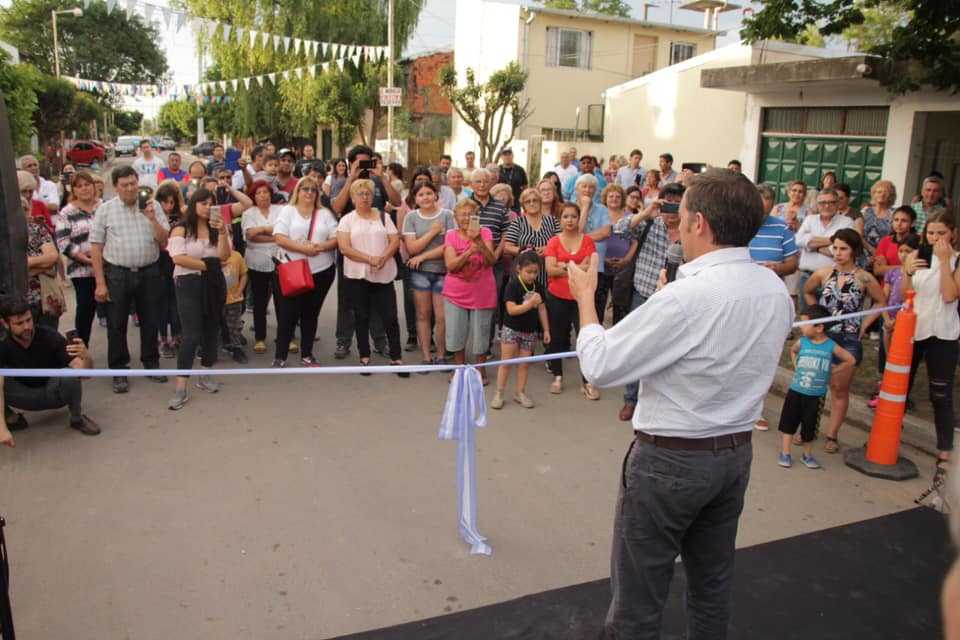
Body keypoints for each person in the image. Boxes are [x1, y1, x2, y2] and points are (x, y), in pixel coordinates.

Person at [568, 169, 794, 640]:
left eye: (682, 214)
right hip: (733, 455)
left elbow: (601, 366)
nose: (676, 223)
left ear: (701, 224)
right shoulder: (773, 288)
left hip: (670, 461)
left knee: (637, 603)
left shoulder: (689, 296)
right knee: (711, 588)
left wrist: (586, 299)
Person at [803, 228, 885, 453]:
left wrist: (865, 325)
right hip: (823, 336)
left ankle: (832, 435)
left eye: (843, 249)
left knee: (839, 389)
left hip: (849, 337)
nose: (837, 253)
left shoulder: (863, 277)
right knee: (812, 384)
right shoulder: (823, 273)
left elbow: (880, 301)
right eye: (835, 247)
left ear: (854, 250)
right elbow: (808, 290)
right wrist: (815, 314)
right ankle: (807, 429)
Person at [90, 165, 171, 394]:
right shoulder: (105, 210)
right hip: (117, 273)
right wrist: (100, 283)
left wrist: (153, 219)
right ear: (115, 187)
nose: (130, 189)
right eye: (124, 185)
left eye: (133, 183)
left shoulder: (152, 206)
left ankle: (151, 363)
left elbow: (164, 240)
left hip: (149, 271)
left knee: (151, 319)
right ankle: (119, 369)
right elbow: (96, 248)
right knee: (116, 323)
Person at [613, 183, 685, 421]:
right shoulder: (650, 223)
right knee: (637, 348)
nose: (672, 210)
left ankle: (660, 401)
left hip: (676, 300)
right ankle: (631, 400)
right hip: (643, 295)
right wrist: (647, 212)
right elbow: (620, 229)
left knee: (667, 351)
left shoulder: (691, 230)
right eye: (668, 203)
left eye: (677, 203)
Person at [901, 210, 959, 481]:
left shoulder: (956, 262)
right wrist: (906, 271)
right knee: (900, 387)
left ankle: (945, 453)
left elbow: (949, 295)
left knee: (940, 396)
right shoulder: (919, 257)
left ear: (953, 234)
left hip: (943, 334)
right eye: (932, 233)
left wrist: (945, 261)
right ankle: (886, 439)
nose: (936, 239)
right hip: (913, 330)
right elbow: (905, 294)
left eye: (942, 233)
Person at [331, 145, 402, 360]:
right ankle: (344, 341)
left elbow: (397, 202)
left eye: (367, 161)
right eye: (359, 162)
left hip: (379, 246)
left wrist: (383, 176)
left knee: (380, 302)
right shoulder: (344, 182)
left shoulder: (379, 181)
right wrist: (351, 178)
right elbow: (336, 207)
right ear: (351, 162)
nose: (364, 166)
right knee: (348, 301)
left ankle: (379, 340)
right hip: (353, 248)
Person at [0, 296, 100, 441]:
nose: (27, 327)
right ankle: (10, 419)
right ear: (5, 324)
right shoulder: (3, 344)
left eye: (28, 320)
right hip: (22, 395)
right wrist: (2, 429)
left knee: (70, 377)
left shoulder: (49, 335)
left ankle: (77, 419)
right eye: (19, 323)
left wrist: (86, 357)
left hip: (52, 392)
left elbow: (85, 374)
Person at [165, 189, 230, 410]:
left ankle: (205, 373)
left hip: (213, 284)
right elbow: (178, 258)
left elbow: (224, 256)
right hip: (189, 282)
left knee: (212, 328)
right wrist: (208, 265)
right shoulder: (181, 228)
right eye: (202, 203)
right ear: (193, 205)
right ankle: (180, 386)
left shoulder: (216, 228)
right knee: (191, 334)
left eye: (211, 203)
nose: (206, 207)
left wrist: (222, 232)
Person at [337, 179, 407, 375]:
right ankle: (364, 356)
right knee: (362, 316)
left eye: (368, 193)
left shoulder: (384, 217)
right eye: (360, 194)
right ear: (352, 198)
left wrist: (382, 258)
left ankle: (396, 357)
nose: (364, 197)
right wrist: (370, 259)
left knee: (390, 316)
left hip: (383, 273)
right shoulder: (347, 220)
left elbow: (394, 240)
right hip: (358, 276)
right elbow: (344, 248)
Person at [777, 304, 856, 469]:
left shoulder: (830, 346)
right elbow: (793, 351)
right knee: (789, 423)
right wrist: (796, 365)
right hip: (796, 390)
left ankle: (807, 454)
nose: (800, 327)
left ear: (819, 327)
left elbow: (850, 360)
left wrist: (833, 372)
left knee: (810, 427)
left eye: (804, 324)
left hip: (816, 394)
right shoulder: (802, 342)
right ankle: (785, 452)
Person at [272, 176, 339, 367]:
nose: (309, 192)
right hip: (292, 270)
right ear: (298, 191)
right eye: (305, 189)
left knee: (311, 314)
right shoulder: (287, 211)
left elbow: (336, 238)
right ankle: (280, 355)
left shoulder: (325, 213)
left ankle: (307, 353)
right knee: (287, 314)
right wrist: (304, 249)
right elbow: (279, 237)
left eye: (313, 189)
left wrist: (320, 246)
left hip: (321, 270)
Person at [544, 202, 598, 398]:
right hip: (557, 296)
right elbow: (550, 269)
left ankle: (587, 380)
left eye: (573, 216)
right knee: (557, 337)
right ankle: (557, 375)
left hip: (582, 297)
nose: (570, 220)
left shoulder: (588, 241)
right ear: (560, 219)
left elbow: (590, 267)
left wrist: (564, 265)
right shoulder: (554, 242)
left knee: (585, 338)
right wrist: (576, 266)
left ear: (579, 218)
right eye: (565, 216)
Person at [442, 198, 497, 383]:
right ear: (456, 217)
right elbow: (451, 265)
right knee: (456, 330)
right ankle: (459, 369)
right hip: (456, 292)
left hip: (482, 292)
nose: (466, 218)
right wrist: (468, 252)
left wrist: (479, 242)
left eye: (470, 214)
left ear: (477, 217)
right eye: (462, 214)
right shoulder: (450, 235)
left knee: (481, 331)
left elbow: (491, 261)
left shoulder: (486, 232)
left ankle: (481, 371)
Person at [402, 182, 456, 367]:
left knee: (442, 317)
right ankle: (426, 356)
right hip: (420, 273)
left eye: (429, 193)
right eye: (420, 194)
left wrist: (424, 255)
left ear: (436, 196)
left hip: (442, 271)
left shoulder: (447, 216)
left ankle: (441, 355)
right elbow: (411, 248)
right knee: (423, 314)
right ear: (415, 199)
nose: (425, 197)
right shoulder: (411, 217)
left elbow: (450, 245)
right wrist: (433, 232)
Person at [491, 251, 550, 410]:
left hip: (529, 331)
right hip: (511, 329)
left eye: (535, 272)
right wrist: (530, 304)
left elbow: (542, 309)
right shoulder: (513, 285)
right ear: (518, 269)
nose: (532, 276)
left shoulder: (539, 287)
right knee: (506, 362)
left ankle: (520, 392)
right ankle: (499, 393)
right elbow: (511, 310)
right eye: (528, 272)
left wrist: (546, 330)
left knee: (524, 364)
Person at [867, 233, 920, 408]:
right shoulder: (893, 273)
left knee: (901, 361)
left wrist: (897, 322)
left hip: (905, 324)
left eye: (909, 251)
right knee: (887, 357)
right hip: (888, 321)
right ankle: (883, 391)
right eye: (902, 250)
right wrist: (886, 319)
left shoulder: (919, 275)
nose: (904, 255)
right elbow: (884, 298)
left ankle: (900, 394)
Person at [55, 170, 103, 346]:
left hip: (108, 268)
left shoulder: (104, 207)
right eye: (79, 186)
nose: (84, 189)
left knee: (115, 315)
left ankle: (118, 361)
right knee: (85, 312)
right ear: (73, 190)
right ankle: (81, 353)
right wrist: (88, 260)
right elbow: (62, 242)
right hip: (82, 271)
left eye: (87, 185)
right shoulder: (67, 212)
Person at [795, 187, 855, 312]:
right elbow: (798, 240)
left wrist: (812, 245)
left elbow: (842, 251)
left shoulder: (847, 222)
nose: (827, 206)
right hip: (807, 276)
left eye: (831, 202)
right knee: (809, 317)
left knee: (829, 317)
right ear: (817, 204)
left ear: (838, 204)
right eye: (822, 203)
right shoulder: (810, 219)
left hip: (832, 278)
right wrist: (831, 240)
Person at [241, 180, 284, 354]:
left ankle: (285, 338)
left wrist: (263, 230)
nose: (263, 195)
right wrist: (273, 235)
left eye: (265, 192)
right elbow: (250, 235)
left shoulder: (280, 210)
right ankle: (260, 337)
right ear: (253, 196)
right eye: (258, 193)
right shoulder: (249, 213)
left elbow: (284, 231)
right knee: (259, 301)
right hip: (257, 261)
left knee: (283, 301)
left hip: (280, 259)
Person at [571, 175, 612, 326]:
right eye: (584, 186)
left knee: (595, 313)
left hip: (597, 268)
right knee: (574, 314)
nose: (587, 190)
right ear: (577, 189)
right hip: (576, 267)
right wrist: (585, 209)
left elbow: (606, 232)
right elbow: (574, 232)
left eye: (591, 187)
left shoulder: (602, 209)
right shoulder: (570, 208)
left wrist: (582, 239)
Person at [504, 187, 560, 291]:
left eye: (535, 200)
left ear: (540, 202)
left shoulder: (552, 221)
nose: (532, 203)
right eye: (528, 201)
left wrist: (548, 249)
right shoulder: (518, 222)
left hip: (547, 273)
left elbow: (561, 244)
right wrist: (524, 251)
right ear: (523, 205)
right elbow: (507, 247)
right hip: (523, 275)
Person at [857, 180, 897, 269]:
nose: (882, 195)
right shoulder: (865, 211)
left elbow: (894, 237)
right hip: (863, 253)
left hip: (884, 256)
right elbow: (858, 234)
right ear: (874, 194)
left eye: (886, 192)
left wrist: (878, 254)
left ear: (891, 196)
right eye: (879, 192)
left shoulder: (895, 214)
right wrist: (871, 250)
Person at [874, 206, 918, 278]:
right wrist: (907, 267)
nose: (899, 223)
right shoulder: (885, 241)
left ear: (913, 223)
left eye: (904, 221)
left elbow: (919, 268)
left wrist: (887, 268)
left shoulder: (919, 240)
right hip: (887, 285)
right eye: (896, 220)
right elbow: (878, 270)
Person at [221, 247, 248, 364]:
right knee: (212, 325)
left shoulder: (236, 256)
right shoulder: (210, 256)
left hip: (234, 299)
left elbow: (244, 274)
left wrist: (239, 290)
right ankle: (208, 348)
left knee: (235, 325)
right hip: (216, 300)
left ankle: (237, 348)